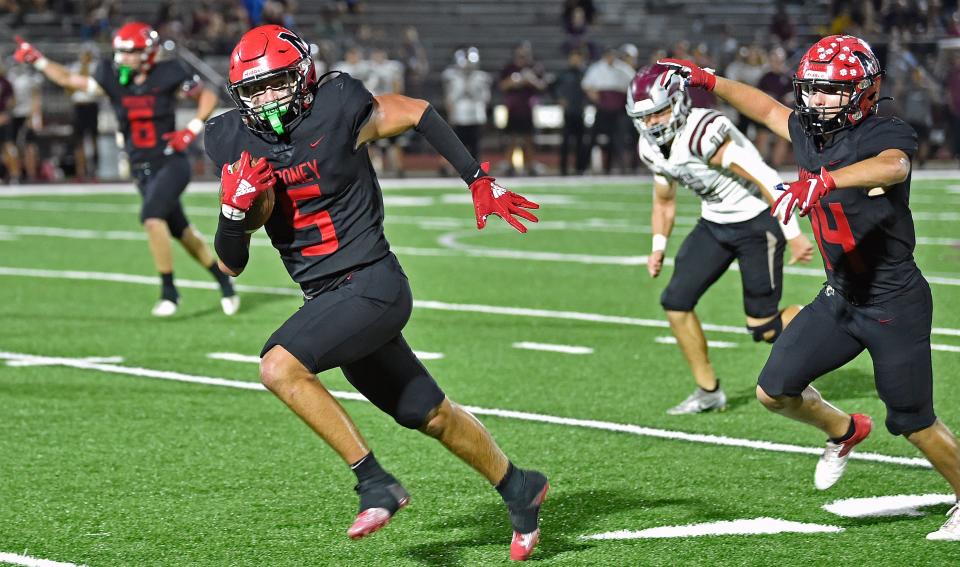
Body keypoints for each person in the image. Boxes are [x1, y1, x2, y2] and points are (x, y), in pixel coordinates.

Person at [206, 25, 547, 560]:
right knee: (428, 414)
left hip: (372, 283)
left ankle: (374, 483)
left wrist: (478, 178)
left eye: (275, 85)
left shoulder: (338, 105)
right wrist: (232, 213)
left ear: (302, 77)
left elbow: (416, 110)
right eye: (254, 91)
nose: (267, 100)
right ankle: (518, 485)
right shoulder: (234, 141)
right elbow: (232, 262)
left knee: (278, 366)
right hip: (331, 300)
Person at [660, 35, 960, 540]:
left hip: (893, 303)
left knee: (913, 421)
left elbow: (895, 166)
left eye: (829, 91)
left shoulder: (884, 132)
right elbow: (766, 106)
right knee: (773, 391)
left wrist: (825, 181)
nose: (815, 101)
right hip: (840, 296)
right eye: (812, 89)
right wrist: (709, 80)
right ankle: (843, 431)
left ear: (863, 92)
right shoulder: (809, 131)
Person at [13, 24, 239, 318]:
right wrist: (38, 60)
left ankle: (169, 292)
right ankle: (223, 280)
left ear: (147, 53)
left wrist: (191, 129)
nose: (122, 58)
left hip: (170, 161)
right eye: (120, 51)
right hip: (140, 168)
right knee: (180, 231)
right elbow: (69, 79)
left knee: (151, 217)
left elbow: (206, 95)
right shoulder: (112, 76)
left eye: (129, 52)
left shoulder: (168, 73)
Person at [627, 64, 813, 415]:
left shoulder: (704, 132)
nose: (653, 124)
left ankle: (828, 320)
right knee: (675, 302)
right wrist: (657, 247)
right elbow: (664, 200)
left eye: (659, 112)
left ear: (678, 103)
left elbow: (765, 175)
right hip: (715, 222)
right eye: (646, 117)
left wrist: (793, 233)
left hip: (757, 222)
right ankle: (708, 390)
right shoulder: (651, 147)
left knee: (765, 327)